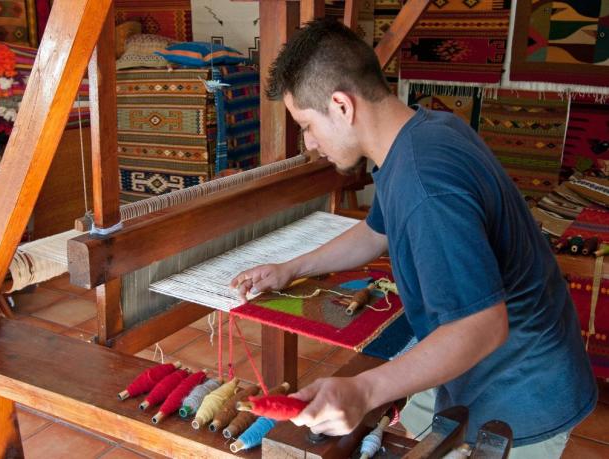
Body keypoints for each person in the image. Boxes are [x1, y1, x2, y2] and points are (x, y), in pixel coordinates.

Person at [230, 18, 597, 457]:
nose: (309, 143)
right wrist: (291, 268)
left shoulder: (425, 183)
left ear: (342, 106)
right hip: (502, 371)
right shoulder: (424, 133)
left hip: (520, 396)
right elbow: (375, 231)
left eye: (306, 125)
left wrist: (364, 390)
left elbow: (481, 325)